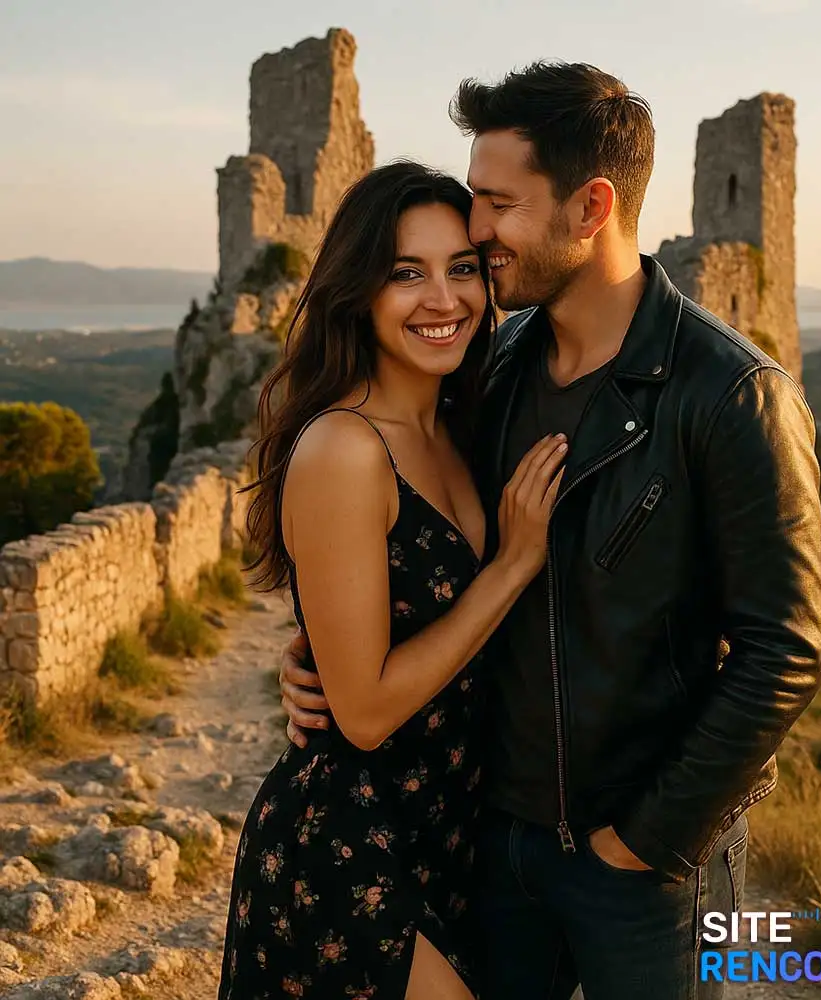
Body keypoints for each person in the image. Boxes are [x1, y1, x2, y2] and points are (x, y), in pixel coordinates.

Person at [279, 62, 821, 1000]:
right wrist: (317, 654)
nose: (476, 227)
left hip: (646, 873)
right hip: (490, 844)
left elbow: (785, 648)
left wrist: (640, 843)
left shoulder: (733, 394)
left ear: (589, 208)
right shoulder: (492, 373)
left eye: (497, 203)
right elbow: (415, 548)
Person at [218, 160, 568, 1000]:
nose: (443, 300)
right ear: (359, 291)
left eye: (463, 270)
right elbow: (366, 714)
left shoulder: (461, 422)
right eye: (406, 274)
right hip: (347, 848)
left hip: (451, 834)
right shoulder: (344, 448)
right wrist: (513, 564)